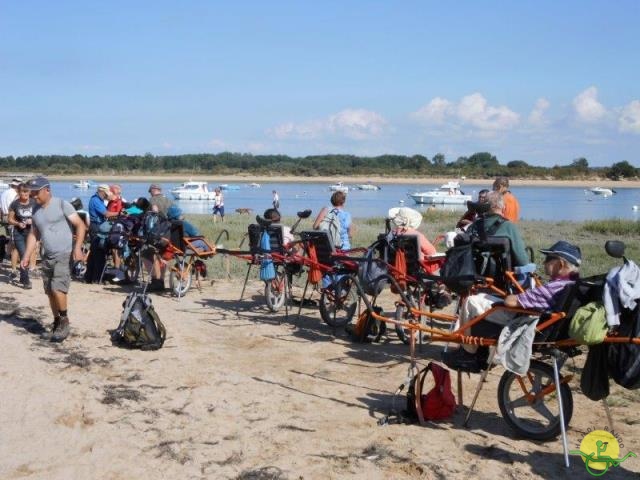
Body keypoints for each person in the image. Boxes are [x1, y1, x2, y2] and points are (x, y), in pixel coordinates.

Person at [442, 241, 581, 371]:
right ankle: (479, 352)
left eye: (549, 259)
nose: (544, 262)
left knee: (471, 301)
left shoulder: (554, 288)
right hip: (538, 319)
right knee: (484, 299)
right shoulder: (572, 284)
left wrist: (511, 297)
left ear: (561, 264)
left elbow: (511, 302)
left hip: (523, 321)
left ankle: (468, 354)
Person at [21, 177, 86, 342]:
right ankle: (57, 322)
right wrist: (27, 255)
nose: (33, 195)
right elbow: (34, 234)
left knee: (58, 288)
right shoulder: (35, 210)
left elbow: (80, 225)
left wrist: (77, 247)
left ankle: (64, 321)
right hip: (47, 255)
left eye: (36, 192)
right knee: (50, 291)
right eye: (32, 192)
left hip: (64, 253)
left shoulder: (62, 204)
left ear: (47, 190)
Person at [466, 191, 529, 267]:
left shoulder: (473, 226)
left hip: (475, 273)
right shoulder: (509, 227)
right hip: (503, 276)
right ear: (501, 206)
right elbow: (523, 261)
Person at [387, 207, 439, 274]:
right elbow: (432, 252)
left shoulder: (392, 234)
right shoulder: (416, 235)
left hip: (395, 267)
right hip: (417, 268)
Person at [85, 184, 119, 283]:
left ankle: (90, 277)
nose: (106, 196)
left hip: (97, 226)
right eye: (105, 194)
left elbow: (106, 211)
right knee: (99, 253)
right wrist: (119, 213)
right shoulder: (95, 200)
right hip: (96, 227)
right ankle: (96, 278)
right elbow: (106, 213)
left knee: (94, 253)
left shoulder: (99, 200)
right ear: (101, 192)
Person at [7, 183, 37, 288]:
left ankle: (23, 277)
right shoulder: (14, 204)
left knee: (27, 255)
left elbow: (40, 216)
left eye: (27, 191)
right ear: (19, 192)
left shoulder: (34, 202)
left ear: (29, 192)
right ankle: (26, 281)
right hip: (18, 233)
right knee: (24, 254)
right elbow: (9, 219)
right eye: (22, 192)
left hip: (31, 233)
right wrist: (18, 223)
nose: (25, 194)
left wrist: (33, 220)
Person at [1, 178, 22, 280]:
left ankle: (6, 258)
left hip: (3, 216)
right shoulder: (14, 194)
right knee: (14, 240)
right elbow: (15, 207)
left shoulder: (4, 192)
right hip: (11, 217)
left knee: (9, 239)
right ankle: (12, 261)